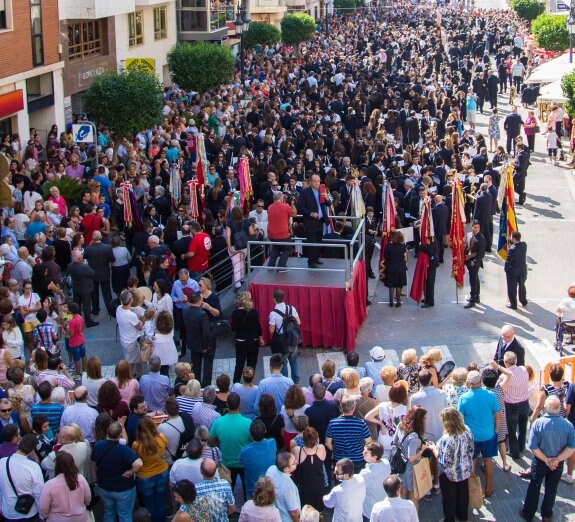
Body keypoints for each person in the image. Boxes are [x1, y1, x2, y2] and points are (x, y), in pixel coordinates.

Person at [519, 396, 575, 522]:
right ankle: (547, 515)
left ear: (546, 408)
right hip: (557, 464)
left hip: (539, 461)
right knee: (552, 488)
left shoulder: (538, 423)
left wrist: (545, 459)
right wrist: (557, 459)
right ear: (559, 408)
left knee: (534, 486)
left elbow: (533, 446)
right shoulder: (568, 425)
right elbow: (572, 447)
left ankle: (528, 513)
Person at [456, 370, 500, 498]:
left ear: (469, 383)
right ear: (480, 381)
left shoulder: (463, 398)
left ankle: (472, 489)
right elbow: (498, 415)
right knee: (488, 460)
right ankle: (489, 487)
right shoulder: (490, 395)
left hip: (471, 437)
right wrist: (496, 431)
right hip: (488, 434)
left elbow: (459, 419)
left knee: (472, 461)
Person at [92, 421, 143, 522]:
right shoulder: (123, 450)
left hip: (104, 487)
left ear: (107, 432)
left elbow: (93, 462)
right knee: (125, 515)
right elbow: (139, 464)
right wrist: (131, 471)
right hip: (123, 489)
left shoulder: (98, 445)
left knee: (108, 512)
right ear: (120, 435)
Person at [209, 392, 252, 498]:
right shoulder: (249, 423)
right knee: (247, 491)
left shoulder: (218, 422)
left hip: (226, 463)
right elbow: (253, 442)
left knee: (227, 492)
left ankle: (229, 511)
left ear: (227, 405)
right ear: (240, 405)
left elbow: (211, 439)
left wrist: (219, 445)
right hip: (244, 463)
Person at [132, 416, 170, 522]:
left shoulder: (137, 445)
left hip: (145, 478)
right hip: (162, 473)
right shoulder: (161, 438)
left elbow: (135, 460)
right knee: (161, 500)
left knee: (149, 504)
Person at [0, 433, 45, 521]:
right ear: (32, 449)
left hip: (9, 512)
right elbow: (39, 493)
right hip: (29, 512)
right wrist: (42, 515)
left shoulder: (1, 462)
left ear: (19, 444)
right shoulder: (34, 467)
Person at [39, 451, 91, 522]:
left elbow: (43, 507)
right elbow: (88, 498)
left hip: (57, 519)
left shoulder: (49, 485)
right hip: (79, 518)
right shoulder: (81, 479)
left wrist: (44, 516)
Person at [496, 351, 530, 461]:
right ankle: (521, 446)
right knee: (523, 427)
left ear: (505, 362)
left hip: (512, 406)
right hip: (525, 403)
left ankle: (514, 452)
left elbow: (499, 389)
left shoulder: (503, 377)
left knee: (511, 430)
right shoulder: (524, 370)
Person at [326, 395, 372, 474]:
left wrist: (335, 450)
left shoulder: (333, 423)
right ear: (354, 408)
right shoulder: (361, 423)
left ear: (340, 407)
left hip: (340, 459)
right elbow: (369, 442)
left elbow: (327, 443)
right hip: (357, 459)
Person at [365, 382, 408, 459]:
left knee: (384, 461)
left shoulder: (382, 405)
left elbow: (367, 416)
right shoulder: (405, 409)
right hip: (398, 440)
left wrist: (381, 423)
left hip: (384, 438)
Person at [297, 173, 330, 268]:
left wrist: (327, 198)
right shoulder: (305, 192)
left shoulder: (322, 191)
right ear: (310, 182)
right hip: (310, 221)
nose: (317, 183)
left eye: (318, 181)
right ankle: (311, 261)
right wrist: (311, 213)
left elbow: (328, 204)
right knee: (312, 241)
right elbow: (300, 207)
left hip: (320, 220)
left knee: (319, 240)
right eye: (315, 181)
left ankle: (316, 258)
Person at [269, 288, 301, 384]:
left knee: (284, 364)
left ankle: (286, 384)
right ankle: (296, 383)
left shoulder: (273, 313)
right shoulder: (292, 308)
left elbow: (271, 330)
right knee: (294, 362)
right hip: (293, 339)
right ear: (283, 298)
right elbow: (299, 322)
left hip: (282, 342)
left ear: (274, 299)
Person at [182, 290, 213, 387]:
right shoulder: (202, 314)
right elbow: (206, 333)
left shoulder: (185, 310)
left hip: (192, 343)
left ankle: (196, 385)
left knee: (196, 367)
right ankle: (206, 386)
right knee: (207, 366)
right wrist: (206, 346)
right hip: (203, 345)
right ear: (199, 301)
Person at [239, 419, 277, 499]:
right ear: (265, 431)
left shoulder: (245, 451)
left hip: (253, 489)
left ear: (250, 434)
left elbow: (240, 462)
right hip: (270, 486)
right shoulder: (272, 442)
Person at [230, 292, 262, 384]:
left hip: (241, 342)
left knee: (239, 365)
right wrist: (261, 338)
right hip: (253, 342)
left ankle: (236, 384)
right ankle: (249, 383)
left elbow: (234, 329)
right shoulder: (254, 312)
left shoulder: (236, 313)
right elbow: (258, 327)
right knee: (251, 365)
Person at [323, 457, 366, 522]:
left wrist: (323, 497)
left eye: (337, 472)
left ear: (346, 475)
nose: (334, 473)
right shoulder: (361, 479)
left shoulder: (338, 491)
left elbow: (328, 503)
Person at [83, 230, 114, 317]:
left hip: (93, 274)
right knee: (107, 292)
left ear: (93, 238)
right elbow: (112, 259)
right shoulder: (107, 247)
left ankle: (95, 309)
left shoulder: (89, 248)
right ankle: (110, 309)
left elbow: (84, 256)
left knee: (94, 293)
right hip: (105, 272)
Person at [359, 442, 391, 521]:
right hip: (384, 508)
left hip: (369, 510)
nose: (363, 453)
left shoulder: (365, 474)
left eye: (366, 453)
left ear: (374, 457)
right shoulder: (386, 463)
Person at [265, 452, 301, 522]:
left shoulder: (271, 469)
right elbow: (293, 512)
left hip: (272, 515)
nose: (296, 462)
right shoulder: (289, 486)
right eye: (293, 463)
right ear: (286, 469)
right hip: (286, 518)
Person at [115, 290, 143, 377]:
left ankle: (135, 374)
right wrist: (142, 319)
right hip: (131, 341)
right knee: (132, 362)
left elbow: (130, 309)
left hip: (124, 340)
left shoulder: (119, 308)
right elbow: (139, 327)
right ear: (131, 300)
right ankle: (126, 376)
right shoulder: (131, 315)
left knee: (131, 359)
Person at [267, 191, 297, 272]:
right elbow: (294, 214)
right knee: (288, 247)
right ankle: (281, 266)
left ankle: (270, 265)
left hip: (272, 235)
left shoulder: (269, 207)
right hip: (282, 234)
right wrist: (293, 204)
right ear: (281, 198)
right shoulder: (285, 207)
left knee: (276, 247)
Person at [67, 250, 98, 327]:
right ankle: (88, 321)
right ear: (80, 258)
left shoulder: (70, 266)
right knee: (86, 306)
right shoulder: (84, 267)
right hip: (85, 288)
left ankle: (78, 321)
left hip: (76, 288)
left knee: (77, 305)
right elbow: (92, 274)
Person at [463, 220, 486, 309]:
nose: (476, 229)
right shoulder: (469, 235)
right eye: (475, 227)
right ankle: (477, 296)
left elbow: (481, 254)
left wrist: (475, 262)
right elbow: (466, 246)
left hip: (475, 262)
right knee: (475, 278)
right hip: (469, 260)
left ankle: (473, 298)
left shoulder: (481, 238)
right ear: (472, 227)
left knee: (473, 280)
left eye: (478, 227)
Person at [383, 230, 408, 307]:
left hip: (391, 268)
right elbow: (406, 259)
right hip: (401, 268)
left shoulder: (388, 246)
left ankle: (391, 302)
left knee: (391, 285)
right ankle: (398, 301)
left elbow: (385, 257)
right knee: (399, 285)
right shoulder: (404, 247)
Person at [505, 231, 527, 309]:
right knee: (522, 286)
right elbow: (517, 246)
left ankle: (513, 304)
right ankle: (523, 301)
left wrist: (506, 269)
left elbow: (508, 261)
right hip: (522, 270)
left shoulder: (512, 249)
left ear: (513, 238)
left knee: (512, 288)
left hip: (513, 272)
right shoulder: (524, 245)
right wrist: (509, 242)